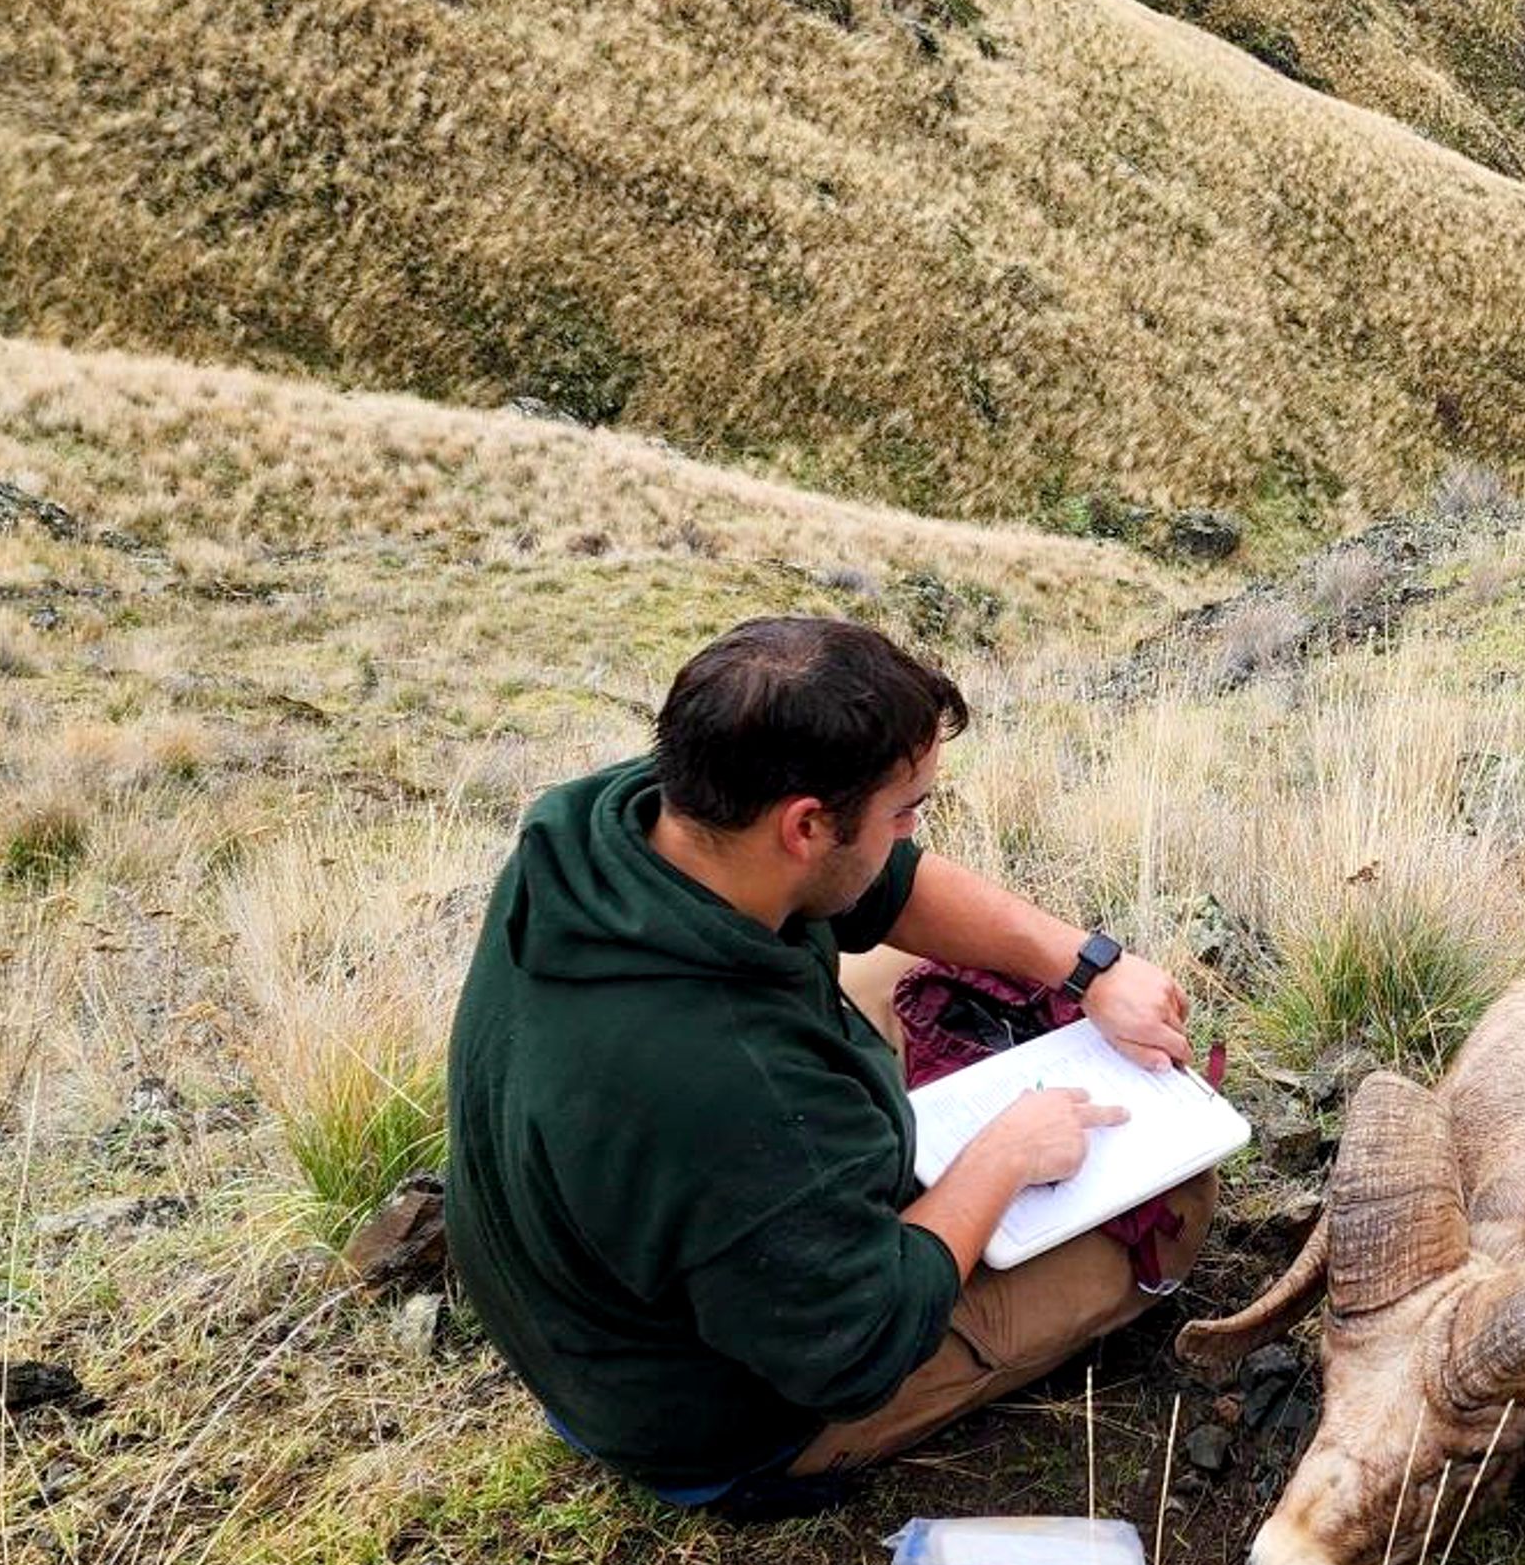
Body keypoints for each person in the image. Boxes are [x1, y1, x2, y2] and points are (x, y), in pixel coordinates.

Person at [441, 614, 1206, 1516]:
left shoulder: (613, 829)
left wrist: (1089, 967)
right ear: (806, 825)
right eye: (905, 810)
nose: (913, 829)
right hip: (712, 1421)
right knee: (1180, 1208)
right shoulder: (729, 1086)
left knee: (903, 964)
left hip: (586, 1298)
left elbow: (886, 887)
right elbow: (863, 1344)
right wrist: (1000, 1158)